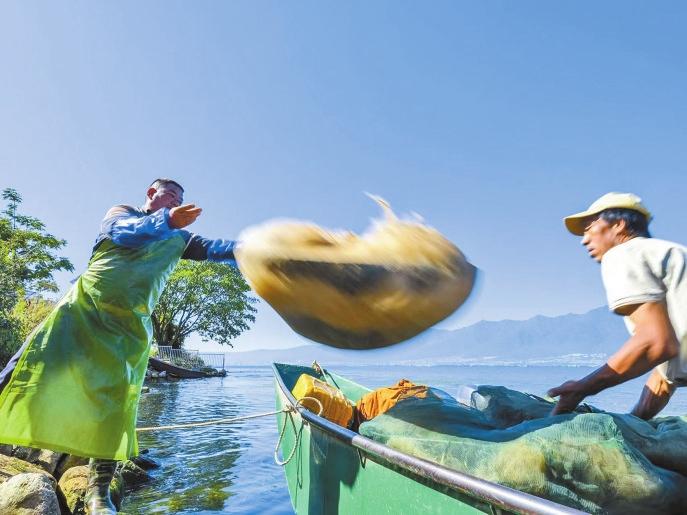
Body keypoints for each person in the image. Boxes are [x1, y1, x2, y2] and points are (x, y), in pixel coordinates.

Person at [0, 179, 237, 514]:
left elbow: (217, 248)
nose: (177, 201)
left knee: (116, 408)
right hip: (82, 311)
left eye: (181, 198)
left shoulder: (180, 238)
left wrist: (254, 250)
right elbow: (125, 233)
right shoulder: (122, 213)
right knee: (26, 367)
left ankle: (98, 494)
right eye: (171, 195)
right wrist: (167, 220)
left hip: (127, 331)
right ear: (152, 194)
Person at [548, 192, 686, 420]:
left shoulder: (624, 253)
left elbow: (655, 343)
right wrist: (633, 424)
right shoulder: (673, 255)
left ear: (618, 225)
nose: (584, 240)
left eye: (589, 228)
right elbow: (664, 377)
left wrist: (582, 388)